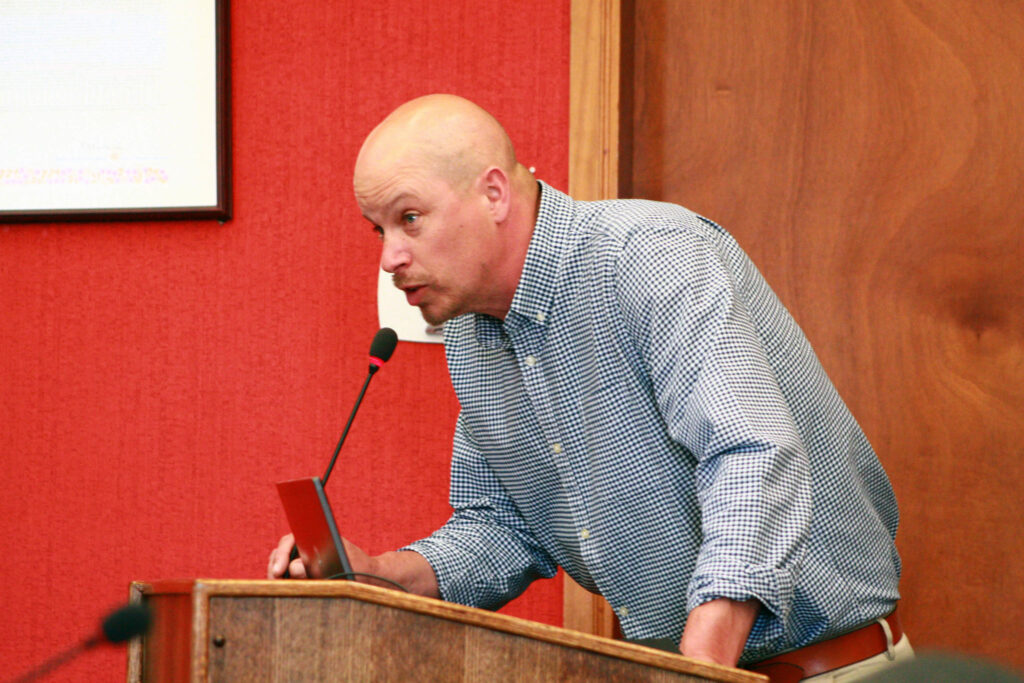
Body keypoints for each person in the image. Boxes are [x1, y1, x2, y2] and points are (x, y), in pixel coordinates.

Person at [269, 94, 911, 679]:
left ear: (493, 194)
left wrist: (701, 664)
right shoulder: (471, 337)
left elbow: (750, 455)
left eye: (410, 218)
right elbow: (501, 529)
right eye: (378, 229)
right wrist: (381, 574)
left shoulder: (650, 256)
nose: (389, 257)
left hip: (830, 671)